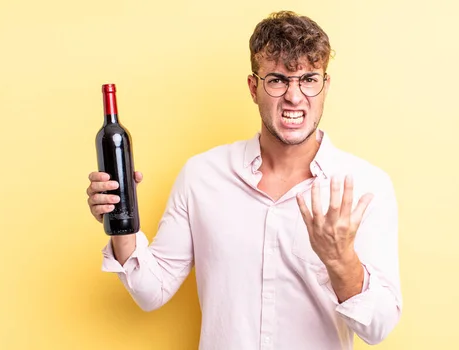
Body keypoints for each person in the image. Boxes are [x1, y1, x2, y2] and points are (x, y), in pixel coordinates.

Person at [86, 10, 402, 350]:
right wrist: (122, 222)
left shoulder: (366, 186)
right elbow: (151, 290)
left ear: (325, 86)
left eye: (308, 79)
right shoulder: (202, 176)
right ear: (254, 87)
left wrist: (341, 260)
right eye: (278, 79)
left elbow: (378, 327)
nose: (294, 97)